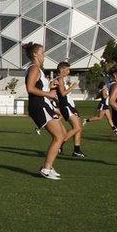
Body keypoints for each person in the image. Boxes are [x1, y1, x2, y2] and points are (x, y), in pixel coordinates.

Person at [21, 43, 65, 180]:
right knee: (58, 137)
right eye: (42, 52)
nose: (44, 55)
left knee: (62, 134)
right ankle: (46, 169)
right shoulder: (34, 68)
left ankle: (49, 166)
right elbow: (30, 88)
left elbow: (38, 86)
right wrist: (49, 94)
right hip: (39, 106)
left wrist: (50, 86)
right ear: (35, 54)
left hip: (44, 105)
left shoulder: (37, 70)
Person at [53, 62, 84, 158]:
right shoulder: (60, 79)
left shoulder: (59, 80)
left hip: (68, 106)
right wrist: (72, 87)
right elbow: (62, 94)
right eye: (67, 69)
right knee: (77, 128)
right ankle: (60, 144)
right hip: (66, 106)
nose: (68, 72)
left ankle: (76, 151)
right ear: (62, 70)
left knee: (78, 127)